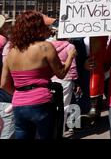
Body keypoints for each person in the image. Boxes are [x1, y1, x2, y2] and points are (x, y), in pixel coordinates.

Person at [0, 11, 77, 139]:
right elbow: (61, 73)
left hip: (19, 104)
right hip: (41, 101)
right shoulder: (45, 47)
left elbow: (3, 84)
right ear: (37, 27)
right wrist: (70, 56)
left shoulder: (12, 51)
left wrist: (20, 94)